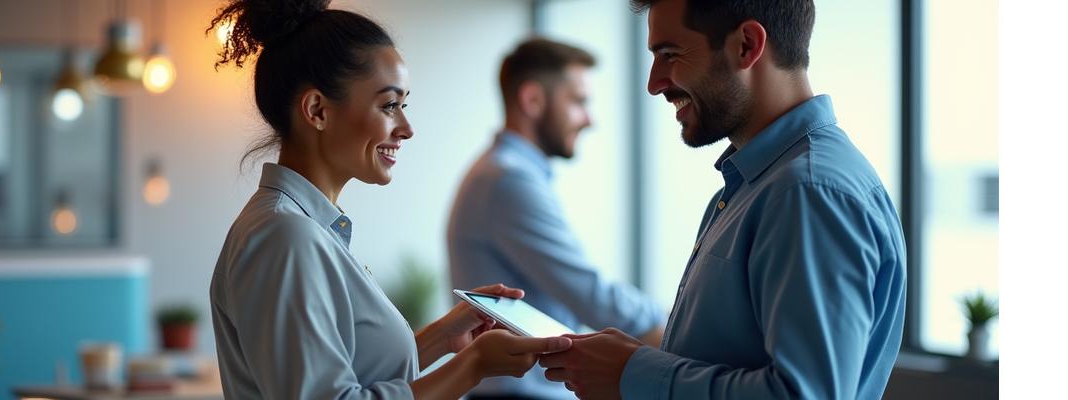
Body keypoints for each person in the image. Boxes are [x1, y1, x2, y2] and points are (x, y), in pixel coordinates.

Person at [539, 0, 907, 399]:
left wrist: (634, 373)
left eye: (670, 54)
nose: (654, 82)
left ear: (747, 45)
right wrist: (631, 363)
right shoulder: (759, 186)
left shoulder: (807, 193)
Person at [206, 1, 572, 399]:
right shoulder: (284, 237)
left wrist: (442, 335)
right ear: (317, 110)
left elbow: (350, 374)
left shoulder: (302, 230)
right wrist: (474, 365)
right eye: (389, 105)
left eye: (404, 105)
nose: (407, 128)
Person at [446, 38, 667, 400]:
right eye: (579, 102)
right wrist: (679, 331)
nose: (589, 119)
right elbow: (590, 294)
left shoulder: (505, 173)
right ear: (532, 100)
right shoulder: (507, 180)